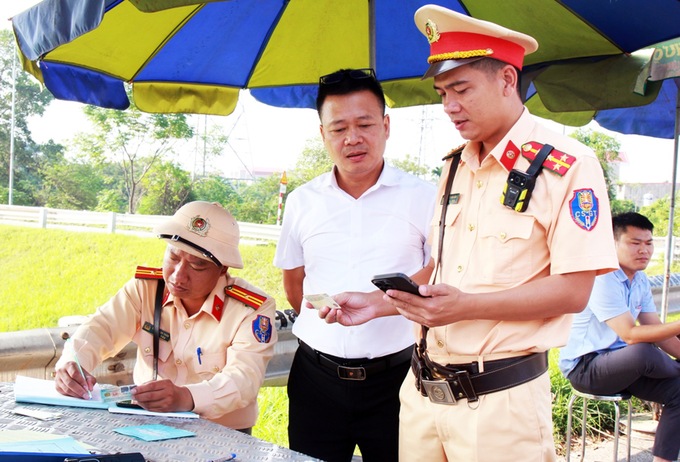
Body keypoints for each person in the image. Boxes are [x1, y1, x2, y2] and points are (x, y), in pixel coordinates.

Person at [317, 6, 619, 461]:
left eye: (461, 89)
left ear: (506, 80)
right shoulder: (456, 165)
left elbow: (575, 291)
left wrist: (467, 308)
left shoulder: (567, 166)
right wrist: (379, 304)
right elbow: (443, 266)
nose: (449, 107)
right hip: (422, 394)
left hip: (500, 405)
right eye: (442, 93)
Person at [273, 68, 436, 461]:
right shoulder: (302, 201)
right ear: (323, 134)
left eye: (364, 124)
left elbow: (441, 269)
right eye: (339, 128)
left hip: (398, 378)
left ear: (385, 125)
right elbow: (294, 284)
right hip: (316, 379)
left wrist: (384, 304)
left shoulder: (424, 196)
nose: (353, 138)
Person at [55, 201, 277, 433]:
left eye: (197, 266)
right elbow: (100, 329)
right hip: (148, 424)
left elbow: (244, 379)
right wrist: (73, 364)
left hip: (223, 432)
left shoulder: (251, 309)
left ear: (223, 269)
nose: (179, 276)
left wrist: (186, 397)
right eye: (173, 257)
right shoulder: (145, 289)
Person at [560, 212, 680, 462]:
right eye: (635, 243)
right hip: (587, 368)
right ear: (612, 244)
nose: (644, 251)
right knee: (642, 350)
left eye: (648, 243)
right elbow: (631, 334)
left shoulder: (640, 280)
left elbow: (657, 330)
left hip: (624, 366)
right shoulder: (602, 278)